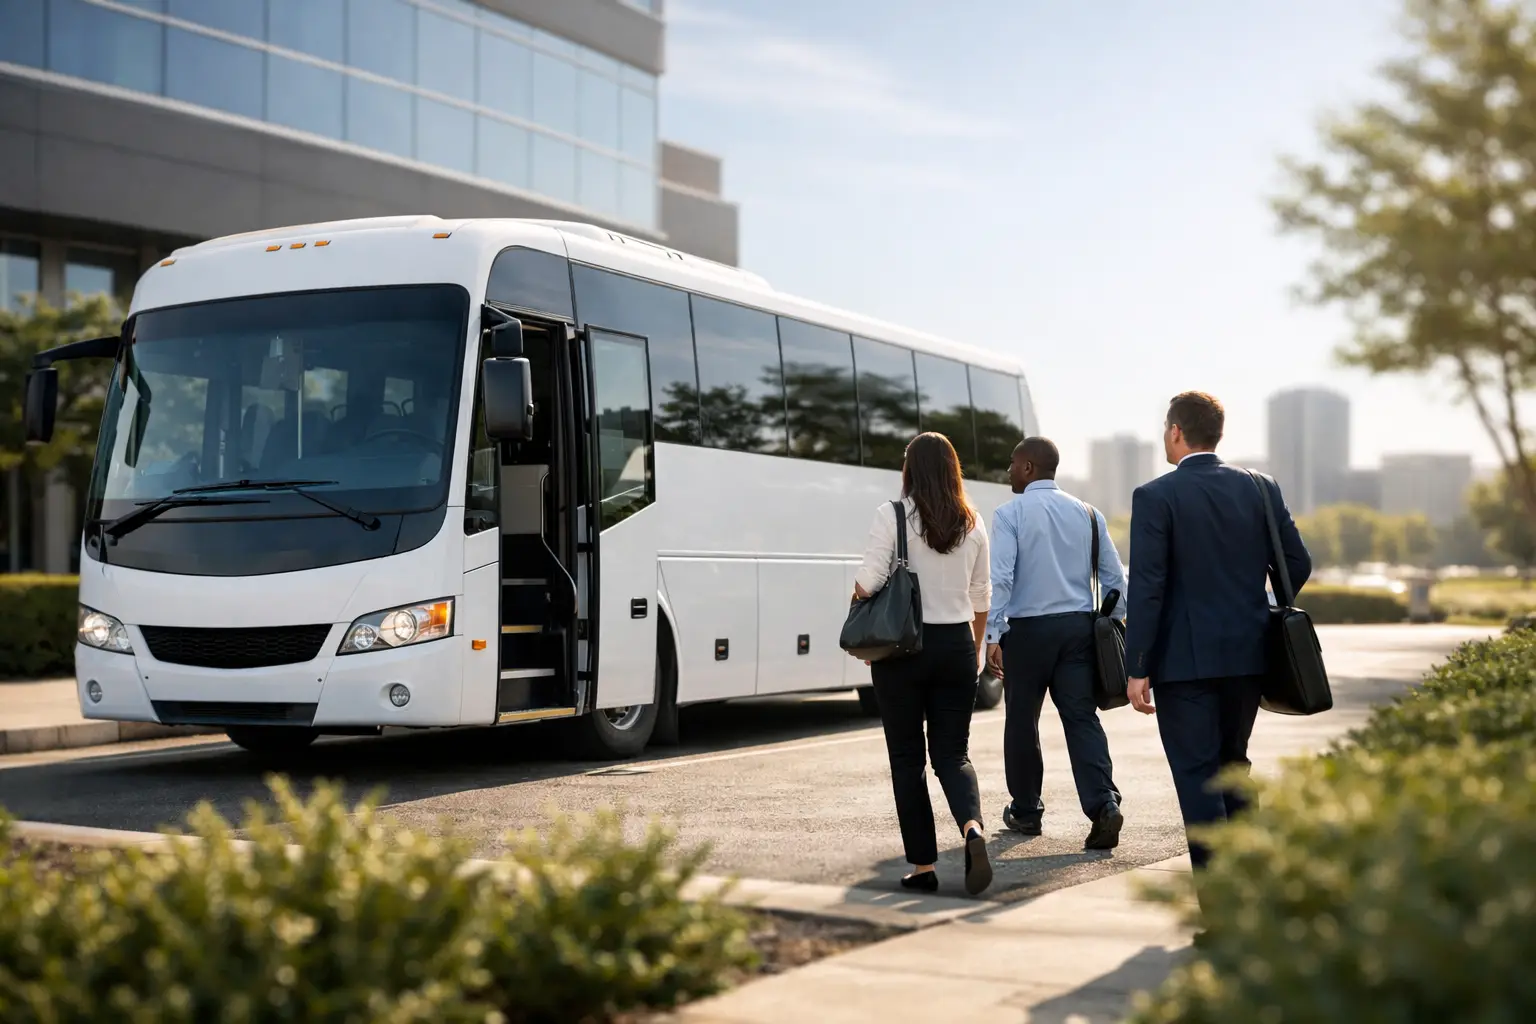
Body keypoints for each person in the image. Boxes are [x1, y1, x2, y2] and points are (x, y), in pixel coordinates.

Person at [1124, 392, 1311, 871]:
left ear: (1175, 432)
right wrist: (1254, 603)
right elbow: (1296, 562)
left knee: (1197, 778)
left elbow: (1147, 588)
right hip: (1248, 655)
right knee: (1233, 771)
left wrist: (1138, 666)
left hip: (1183, 666)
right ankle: (1251, 894)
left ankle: (1223, 911)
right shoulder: (1260, 486)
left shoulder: (1154, 497)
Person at [854, 432, 994, 895]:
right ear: (953, 469)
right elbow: (981, 599)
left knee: (907, 761)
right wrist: (973, 652)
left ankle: (923, 867)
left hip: (902, 650)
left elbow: (869, 581)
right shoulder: (973, 524)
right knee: (953, 755)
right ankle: (973, 828)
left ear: (910, 470)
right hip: (955, 646)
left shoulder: (892, 516)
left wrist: (855, 598)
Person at [985, 437, 1129, 850]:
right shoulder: (1088, 513)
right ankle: (1104, 805)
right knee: (1082, 719)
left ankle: (1027, 812)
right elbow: (1116, 579)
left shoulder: (1009, 514)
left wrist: (994, 634)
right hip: (1078, 631)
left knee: (1021, 722)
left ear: (1029, 467)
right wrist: (1108, 626)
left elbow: (1003, 579)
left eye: (1013, 464)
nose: (1009, 471)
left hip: (1027, 633)